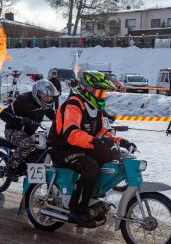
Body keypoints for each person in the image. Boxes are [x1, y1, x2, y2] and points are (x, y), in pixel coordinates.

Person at [47, 71, 136, 227]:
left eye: (104, 92)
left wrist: (121, 142)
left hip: (80, 146)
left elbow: (102, 132)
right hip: (62, 149)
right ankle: (77, 210)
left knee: (110, 156)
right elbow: (71, 133)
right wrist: (95, 142)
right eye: (100, 91)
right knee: (91, 166)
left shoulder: (94, 108)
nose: (102, 96)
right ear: (87, 89)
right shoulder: (73, 105)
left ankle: (92, 198)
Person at [0, 79, 58, 182]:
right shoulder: (23, 100)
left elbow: (55, 117)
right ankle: (10, 168)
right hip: (13, 130)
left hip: (29, 132)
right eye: (46, 97)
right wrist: (21, 120)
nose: (49, 99)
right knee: (28, 143)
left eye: (50, 97)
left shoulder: (45, 105)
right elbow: (3, 114)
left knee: (45, 144)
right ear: (38, 94)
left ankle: (26, 165)